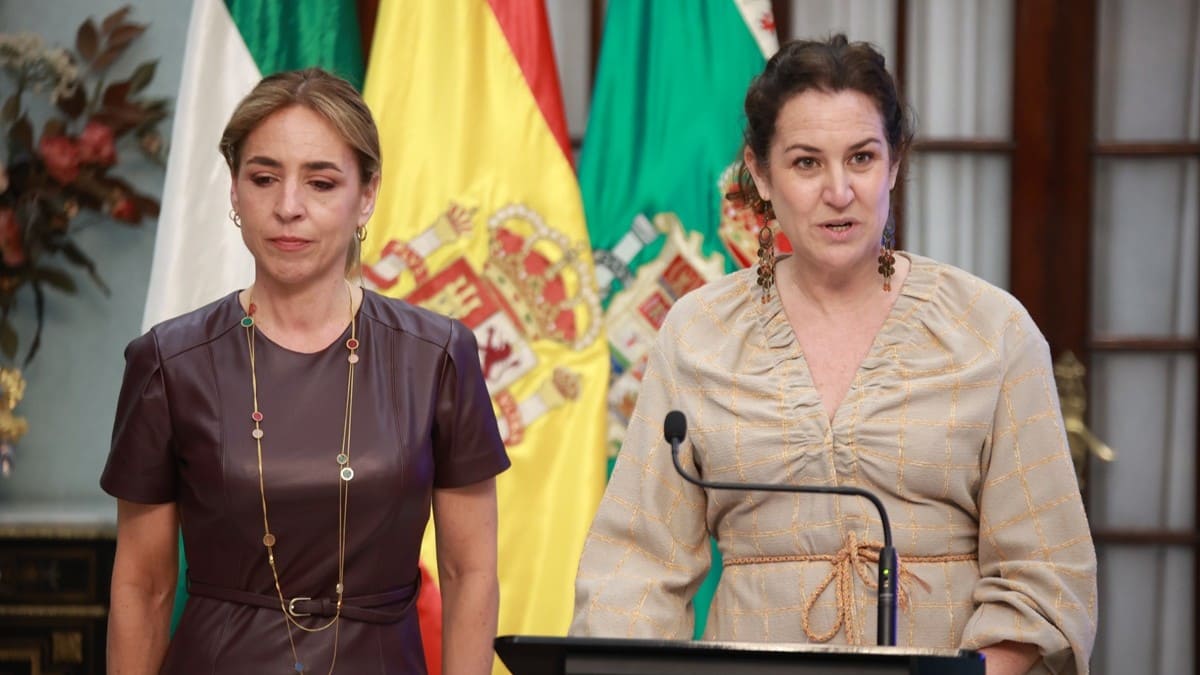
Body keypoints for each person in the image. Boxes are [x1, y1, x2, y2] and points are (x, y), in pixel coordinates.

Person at [570, 35, 1096, 675]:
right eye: (806, 163)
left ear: (894, 164)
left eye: (862, 158)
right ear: (760, 175)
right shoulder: (698, 331)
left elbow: (1042, 579)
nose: (839, 191)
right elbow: (637, 568)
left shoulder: (993, 330)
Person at [101, 68, 510, 675]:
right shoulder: (168, 361)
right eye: (263, 178)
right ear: (235, 192)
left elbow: (468, 572)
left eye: (320, 183)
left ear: (366, 195)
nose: (288, 207)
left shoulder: (438, 355)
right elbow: (143, 587)